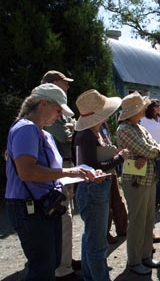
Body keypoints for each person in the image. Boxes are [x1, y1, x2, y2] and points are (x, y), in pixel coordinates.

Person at [5, 83, 95, 281]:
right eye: (58, 110)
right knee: (42, 268)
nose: (59, 117)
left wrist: (73, 173)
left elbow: (46, 171)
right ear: (43, 104)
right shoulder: (27, 129)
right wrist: (69, 171)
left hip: (45, 206)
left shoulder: (43, 133)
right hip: (29, 207)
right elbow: (27, 171)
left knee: (49, 264)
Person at [73, 89, 126, 281]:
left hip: (93, 188)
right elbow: (91, 166)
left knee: (91, 238)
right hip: (92, 189)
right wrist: (118, 159)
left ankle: (91, 276)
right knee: (97, 244)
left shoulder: (92, 132)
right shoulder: (87, 135)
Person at [40, 70, 82, 281]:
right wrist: (73, 129)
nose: (67, 87)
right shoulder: (49, 109)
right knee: (63, 217)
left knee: (66, 216)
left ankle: (65, 259)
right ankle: (62, 268)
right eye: (65, 84)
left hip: (63, 166)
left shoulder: (50, 108)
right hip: (58, 169)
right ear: (55, 84)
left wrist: (71, 129)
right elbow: (64, 137)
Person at [116, 92, 160, 276]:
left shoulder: (138, 127)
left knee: (148, 219)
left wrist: (153, 152)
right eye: (142, 107)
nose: (145, 109)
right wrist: (153, 152)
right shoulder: (125, 129)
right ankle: (134, 261)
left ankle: (145, 256)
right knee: (137, 220)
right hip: (136, 180)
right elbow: (149, 149)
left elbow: (155, 148)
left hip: (148, 178)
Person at [100, 123, 128, 244]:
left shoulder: (104, 126)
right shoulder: (89, 129)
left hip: (111, 168)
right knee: (107, 203)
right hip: (103, 170)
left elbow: (107, 145)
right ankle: (105, 233)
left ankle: (122, 228)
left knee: (117, 199)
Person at [141, 99, 160, 207]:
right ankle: (152, 200)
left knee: (158, 175)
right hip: (150, 151)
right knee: (151, 176)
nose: (158, 107)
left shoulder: (159, 118)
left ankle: (158, 199)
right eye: (156, 105)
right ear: (150, 107)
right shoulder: (144, 120)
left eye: (159, 105)